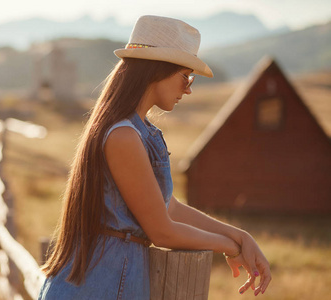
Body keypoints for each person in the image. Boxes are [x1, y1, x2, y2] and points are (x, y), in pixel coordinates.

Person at [38, 15, 271, 299]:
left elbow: (166, 206)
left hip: (110, 280)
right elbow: (162, 231)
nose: (188, 88)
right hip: (99, 284)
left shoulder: (137, 130)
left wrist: (239, 236)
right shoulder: (123, 136)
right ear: (156, 71)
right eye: (185, 76)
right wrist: (230, 247)